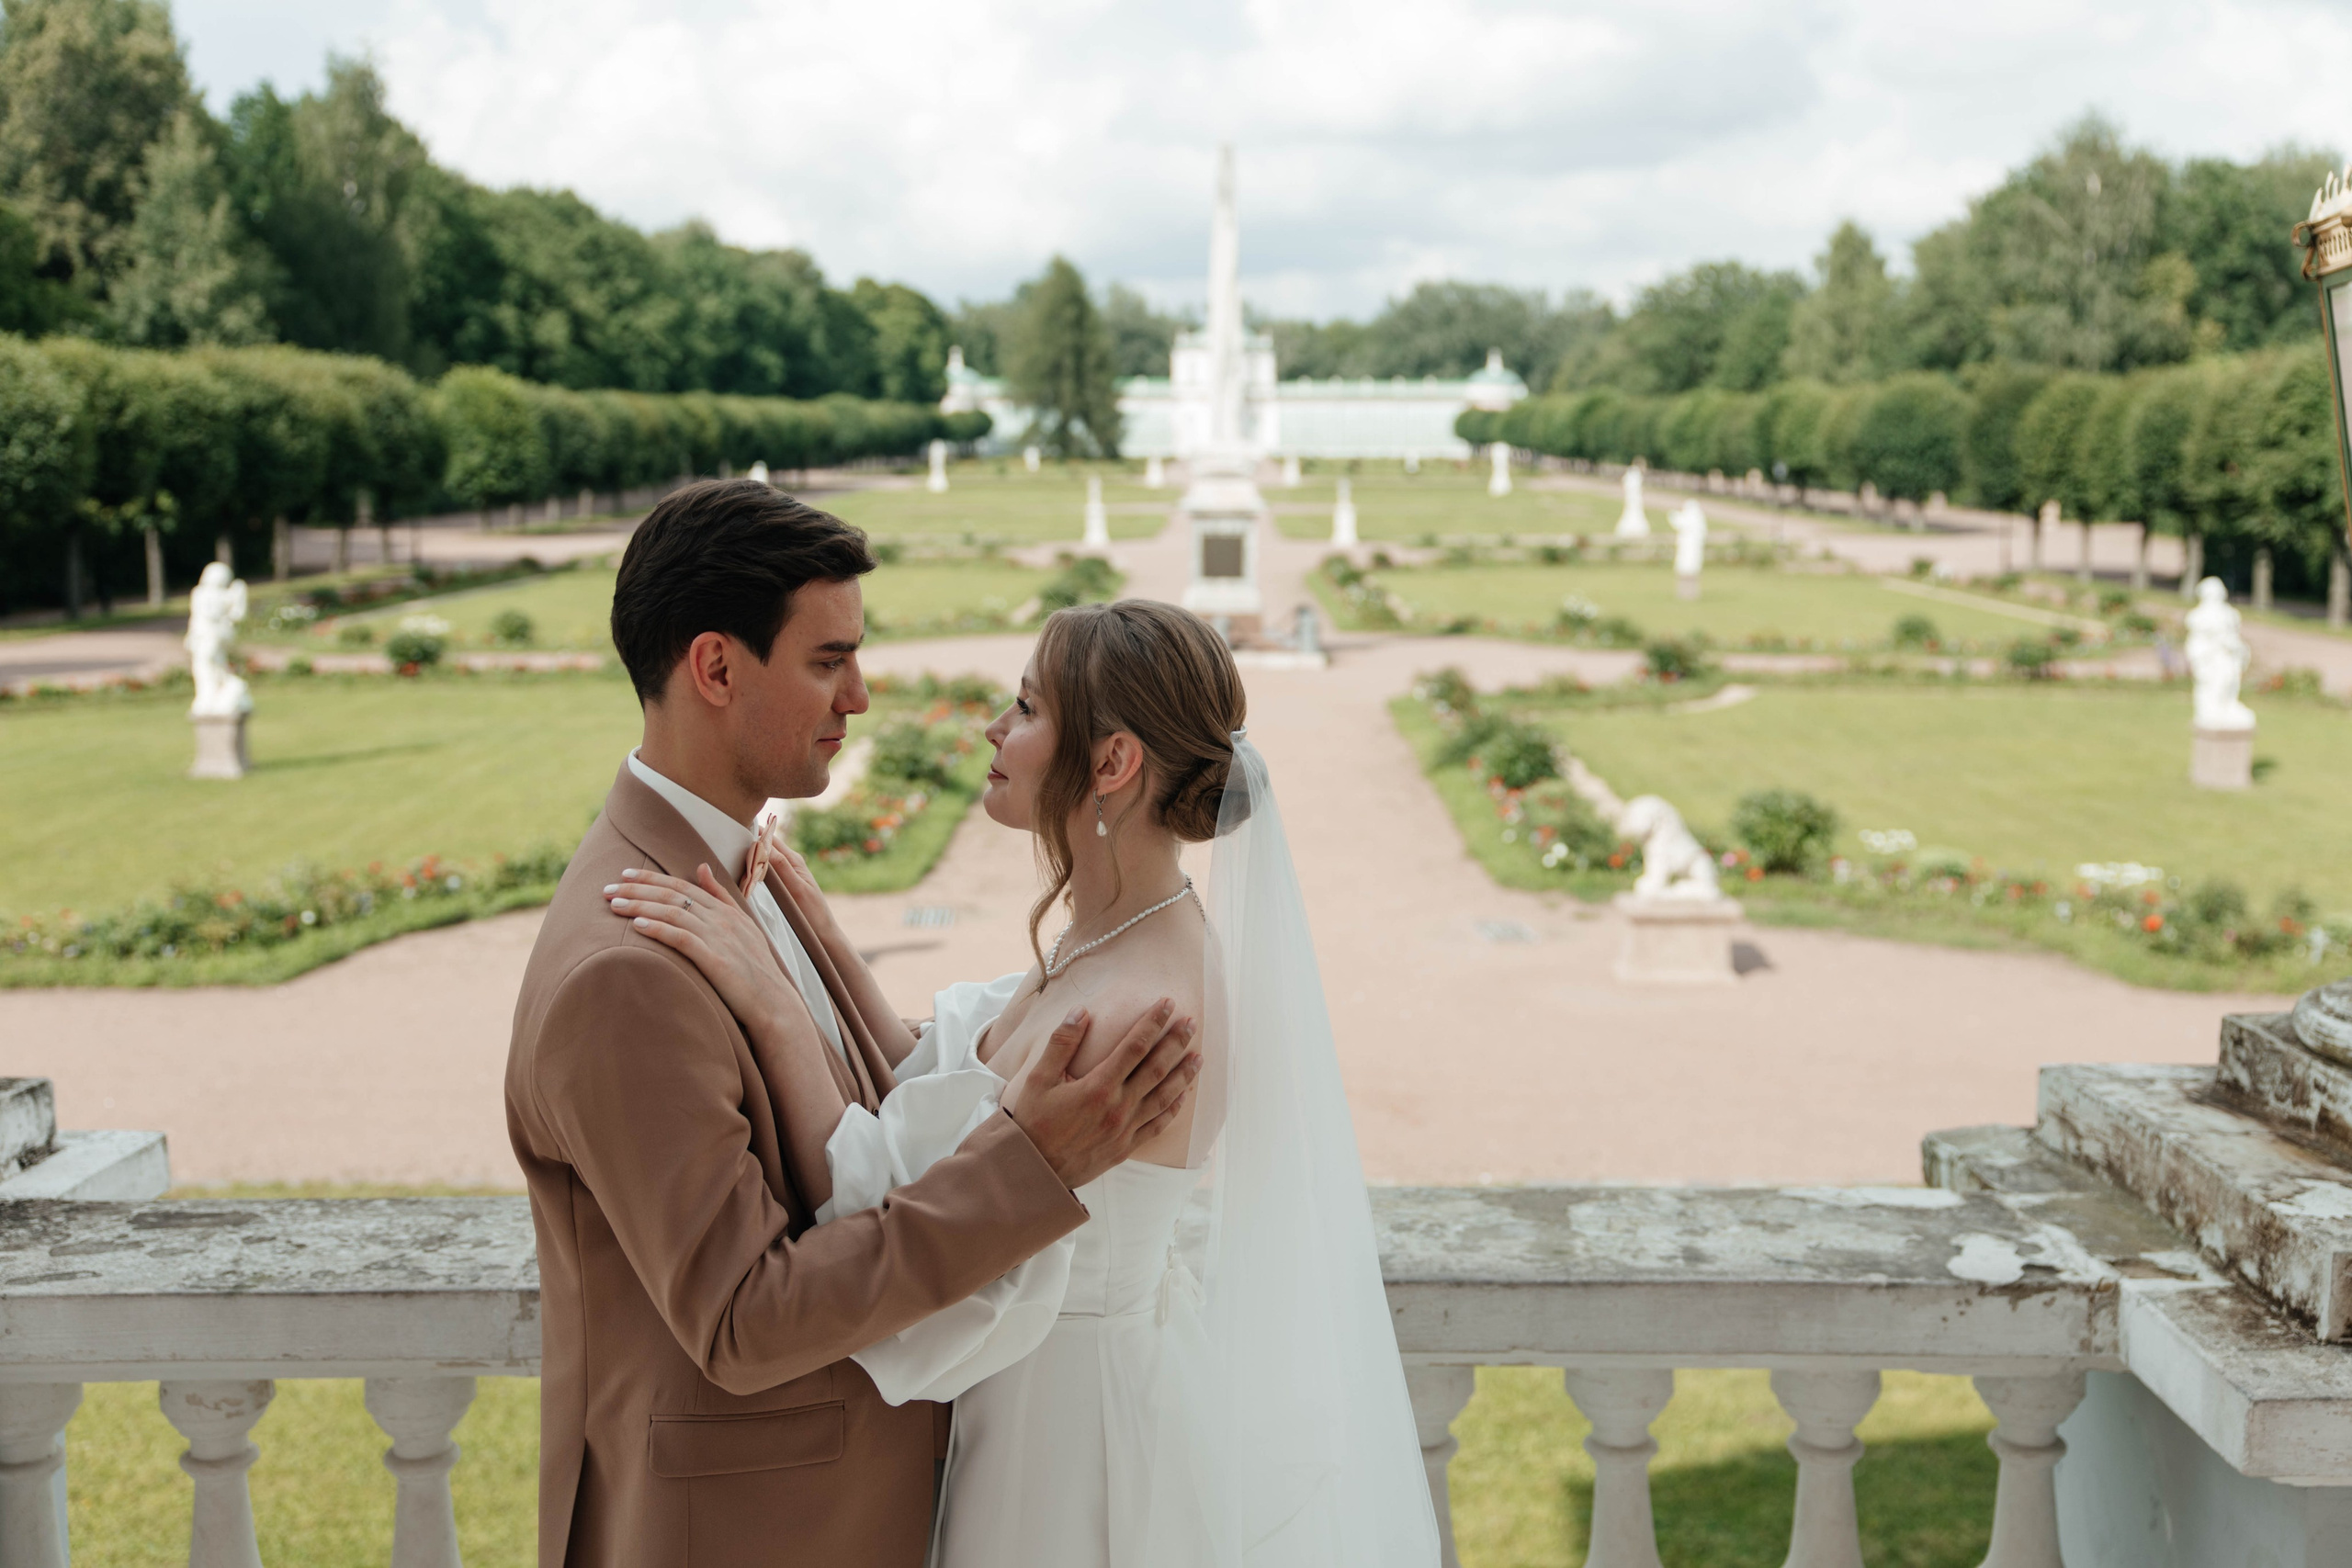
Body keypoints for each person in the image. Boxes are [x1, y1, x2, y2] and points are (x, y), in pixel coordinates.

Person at [612, 599, 1440, 1566]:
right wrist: (818, 935)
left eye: (1025, 708)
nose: (994, 731)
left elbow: (895, 1205)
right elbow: (954, 1086)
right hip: (1043, 1396)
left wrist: (770, 1003)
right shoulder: (1122, 932)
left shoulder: (1136, 1015)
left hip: (1072, 1440)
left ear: (1112, 762)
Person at [505, 480, 1202, 1568]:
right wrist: (1034, 1167)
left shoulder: (749, 874)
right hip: (744, 1535)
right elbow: (742, 1319)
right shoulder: (627, 970)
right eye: (828, 662)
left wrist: (816, 958)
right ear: (717, 668)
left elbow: (881, 1113)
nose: (861, 697)